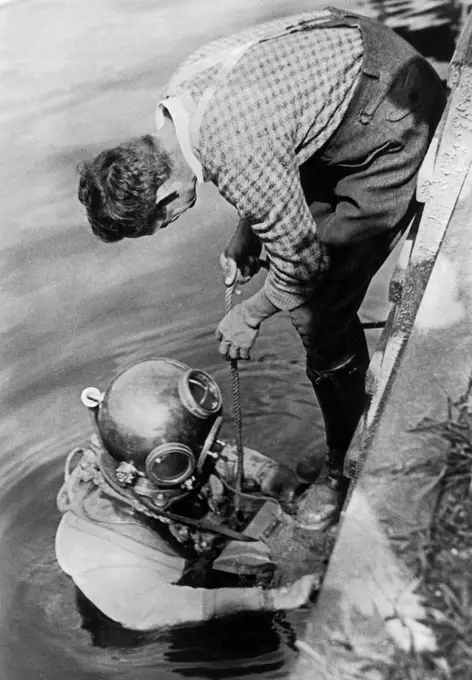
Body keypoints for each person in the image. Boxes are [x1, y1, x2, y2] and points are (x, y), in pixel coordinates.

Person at [77, 7, 446, 530]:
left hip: (393, 105)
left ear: (164, 195)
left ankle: (343, 468)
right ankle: (349, 428)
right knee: (294, 251)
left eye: (161, 224)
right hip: (359, 66)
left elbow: (304, 263)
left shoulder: (232, 152)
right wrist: (248, 230)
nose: (171, 227)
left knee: (319, 311)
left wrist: (249, 315)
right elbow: (272, 139)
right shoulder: (179, 98)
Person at [55, 359, 320, 631]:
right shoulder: (105, 552)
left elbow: (218, 458)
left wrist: (286, 486)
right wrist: (274, 599)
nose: (213, 452)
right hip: (144, 601)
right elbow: (156, 609)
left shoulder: (161, 465)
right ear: (168, 467)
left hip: (184, 545)